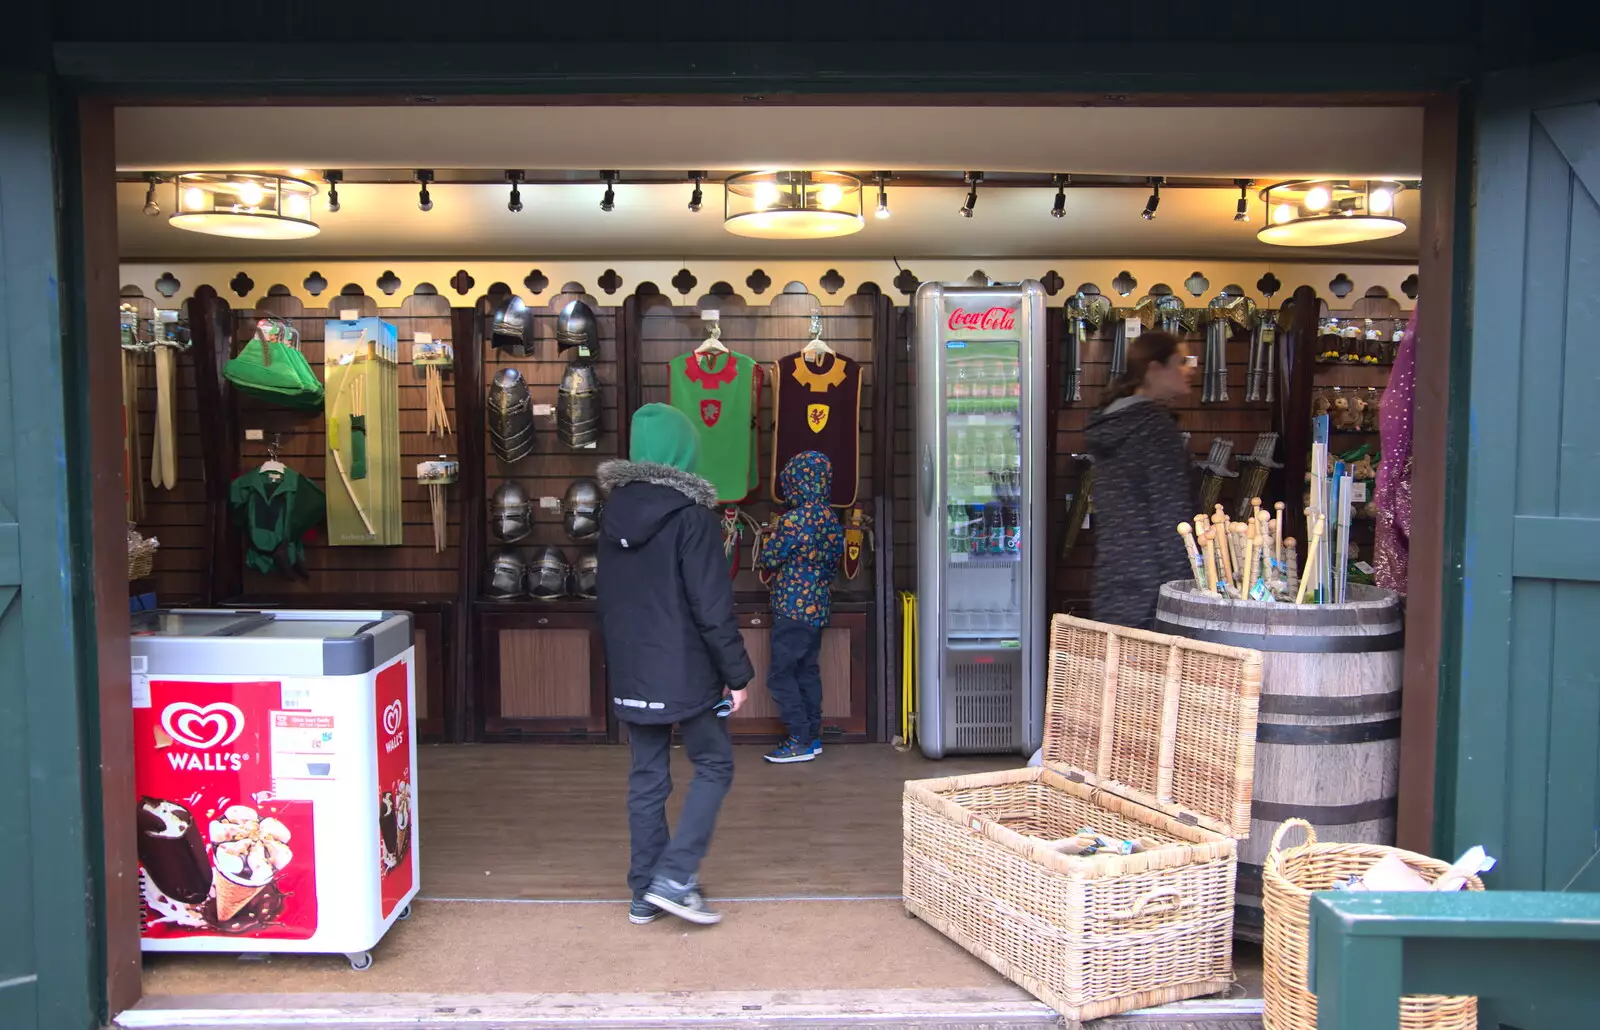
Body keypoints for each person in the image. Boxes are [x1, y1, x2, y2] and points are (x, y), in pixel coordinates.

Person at [597, 403, 754, 927]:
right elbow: (712, 607)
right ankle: (675, 876)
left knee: (647, 777)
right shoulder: (693, 518)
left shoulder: (612, 516)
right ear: (685, 454)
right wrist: (738, 675)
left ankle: (644, 891)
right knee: (714, 764)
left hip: (632, 668)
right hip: (687, 670)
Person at [1085, 330, 1197, 630]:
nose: (1189, 368)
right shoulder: (1154, 430)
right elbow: (1174, 524)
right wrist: (1186, 594)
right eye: (1180, 361)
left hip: (1114, 583)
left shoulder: (1111, 424)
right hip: (1154, 593)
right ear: (1154, 368)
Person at [755, 451, 846, 764]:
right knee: (807, 671)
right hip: (818, 607)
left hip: (792, 607)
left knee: (780, 676)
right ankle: (812, 736)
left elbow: (769, 558)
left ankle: (798, 739)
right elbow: (834, 563)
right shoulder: (833, 520)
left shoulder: (795, 520)